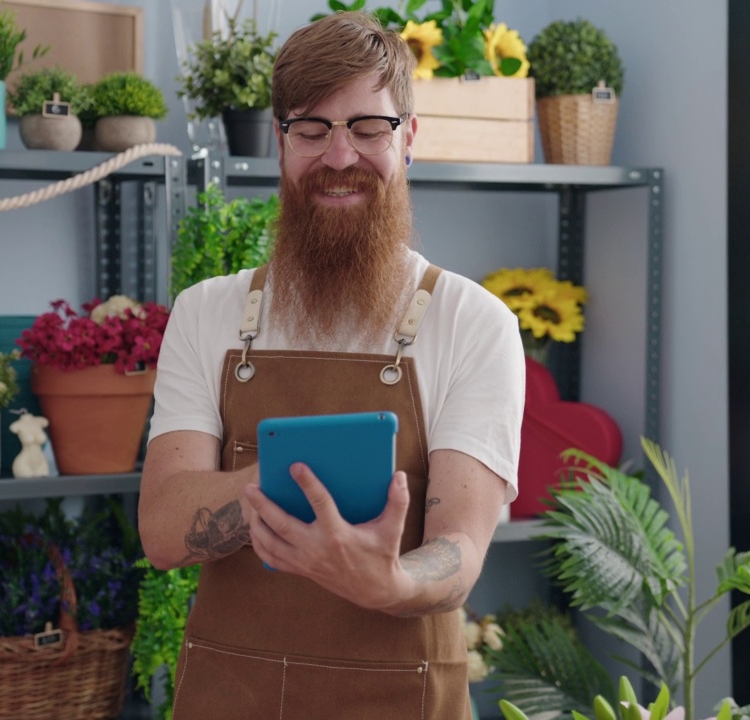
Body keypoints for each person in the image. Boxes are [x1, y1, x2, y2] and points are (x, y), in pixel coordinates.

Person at [138, 11, 525, 719]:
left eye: (368, 127)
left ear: (408, 138)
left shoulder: (473, 323)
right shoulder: (207, 313)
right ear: (280, 142)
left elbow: (459, 550)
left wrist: (392, 583)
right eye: (312, 129)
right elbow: (164, 531)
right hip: (233, 696)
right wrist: (288, 484)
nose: (340, 157)